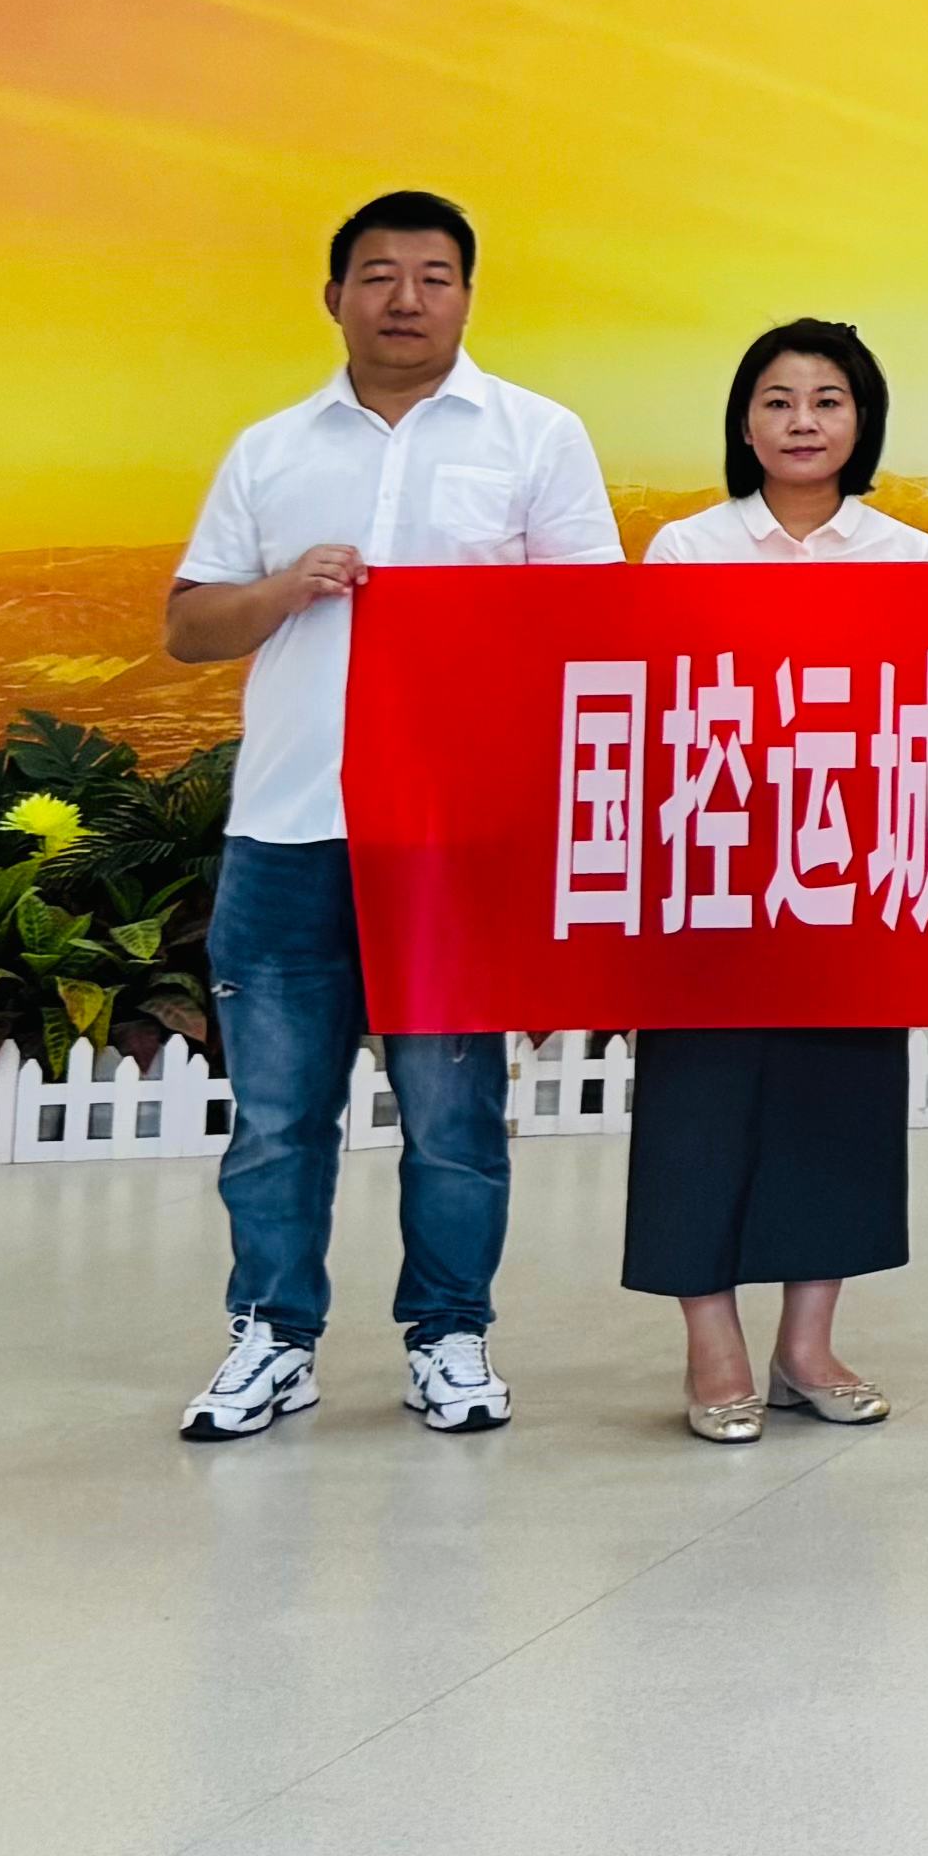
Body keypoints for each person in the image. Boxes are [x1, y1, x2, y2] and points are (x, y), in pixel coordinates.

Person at [167, 193, 613, 1444]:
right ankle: (272, 1337)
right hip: (288, 828)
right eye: (378, 275)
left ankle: (449, 1336)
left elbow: (588, 627)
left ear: (467, 295)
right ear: (334, 297)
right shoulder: (271, 449)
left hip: (452, 837)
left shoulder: (535, 435)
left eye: (433, 276)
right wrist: (285, 589)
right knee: (275, 1119)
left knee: (454, 1116)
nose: (406, 299)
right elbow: (188, 626)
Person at [626, 320, 928, 1444]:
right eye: (778, 401)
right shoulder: (687, 549)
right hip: (713, 863)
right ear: (744, 423)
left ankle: (807, 1347)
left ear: (863, 421)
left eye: (828, 400)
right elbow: (657, 705)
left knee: (835, 1103)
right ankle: (712, 1346)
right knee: (696, 1103)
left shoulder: (907, 556)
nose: (803, 421)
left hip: (851, 868)